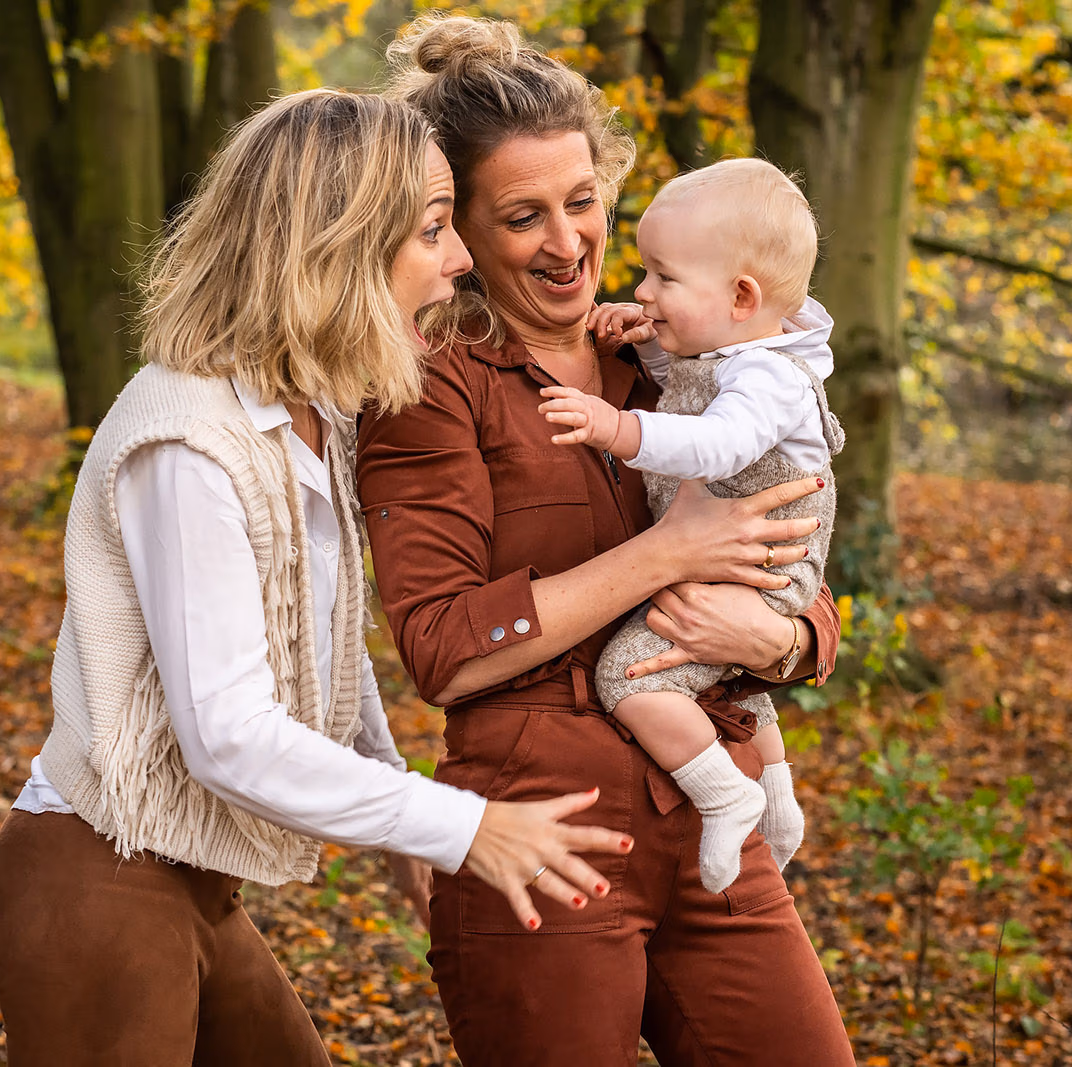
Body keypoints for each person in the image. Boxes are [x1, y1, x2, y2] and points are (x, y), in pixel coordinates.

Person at [0, 89, 635, 1067]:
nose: (458, 256)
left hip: (195, 886)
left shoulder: (309, 412)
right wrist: (462, 825)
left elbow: (321, 651)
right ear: (337, 247)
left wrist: (400, 819)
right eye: (429, 229)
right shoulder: (190, 438)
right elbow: (228, 733)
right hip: (97, 881)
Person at [358, 16, 857, 1066]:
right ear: (456, 228)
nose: (567, 240)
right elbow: (444, 647)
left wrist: (787, 642)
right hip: (545, 828)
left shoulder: (675, 359)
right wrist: (663, 554)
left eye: (582, 201)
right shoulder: (429, 392)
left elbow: (795, 533)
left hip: (707, 797)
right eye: (522, 215)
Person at [537, 158, 843, 894]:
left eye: (663, 279)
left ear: (741, 296)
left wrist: (617, 426)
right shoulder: (734, 351)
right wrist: (641, 343)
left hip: (763, 561)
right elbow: (690, 390)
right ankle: (774, 794)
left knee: (630, 678)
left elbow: (715, 444)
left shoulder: (766, 378)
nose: (642, 291)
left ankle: (723, 794)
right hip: (737, 557)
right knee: (719, 665)